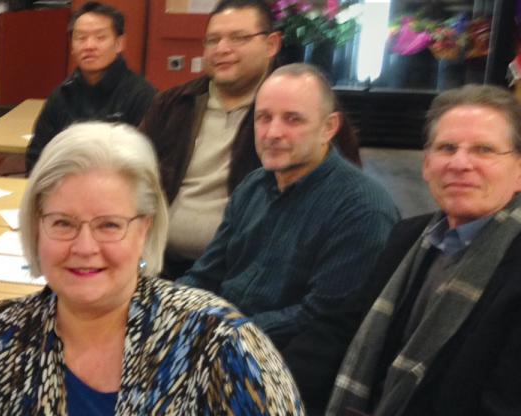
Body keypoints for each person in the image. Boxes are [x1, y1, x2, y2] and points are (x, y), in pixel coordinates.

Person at [0, 122, 311, 416]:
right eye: (63, 223)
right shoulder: (0, 335)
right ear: (36, 227)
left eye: (109, 225)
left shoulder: (222, 345)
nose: (84, 246)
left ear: (144, 230)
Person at [320, 85, 521, 416]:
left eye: (484, 150)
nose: (460, 163)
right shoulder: (408, 238)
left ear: (518, 170)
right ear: (426, 164)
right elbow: (342, 330)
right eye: (447, 148)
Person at [179, 64, 397, 355]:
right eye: (263, 118)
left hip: (285, 361)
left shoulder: (362, 210)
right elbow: (207, 273)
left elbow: (321, 317)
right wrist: (166, 307)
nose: (272, 133)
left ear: (329, 127)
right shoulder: (254, 186)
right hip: (219, 340)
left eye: (293, 119)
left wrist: (217, 332)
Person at [140, 0, 361, 278]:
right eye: (213, 40)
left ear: (271, 44)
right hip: (161, 263)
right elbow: (134, 175)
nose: (222, 49)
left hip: (251, 273)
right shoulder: (173, 104)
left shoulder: (303, 109)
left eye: (238, 38)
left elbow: (342, 192)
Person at [24, 1, 155, 171]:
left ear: (119, 43)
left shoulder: (142, 96)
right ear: (72, 45)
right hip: (64, 184)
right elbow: (37, 156)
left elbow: (148, 164)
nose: (89, 46)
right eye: (81, 38)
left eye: (100, 37)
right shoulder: (63, 94)